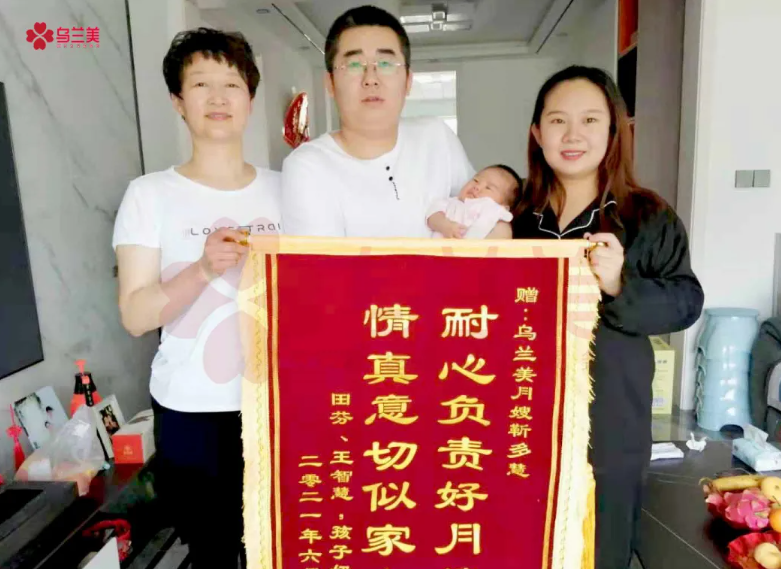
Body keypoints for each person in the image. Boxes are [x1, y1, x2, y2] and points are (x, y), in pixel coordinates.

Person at [511, 66, 704, 568]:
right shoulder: (515, 218)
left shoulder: (646, 215)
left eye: (590, 120)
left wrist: (620, 284)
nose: (573, 135)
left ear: (614, 131)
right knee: (524, 542)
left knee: (602, 547)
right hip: (521, 416)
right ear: (537, 133)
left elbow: (686, 301)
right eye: (558, 120)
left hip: (612, 424)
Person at [112, 28, 280, 568]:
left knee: (281, 546)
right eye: (201, 84)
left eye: (232, 83)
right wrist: (204, 269)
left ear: (250, 98)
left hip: (279, 404)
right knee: (212, 551)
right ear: (177, 101)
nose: (218, 97)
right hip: (194, 410)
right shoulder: (150, 195)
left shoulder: (289, 188)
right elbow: (135, 315)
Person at [281, 5, 476, 238]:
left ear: (408, 81)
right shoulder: (309, 166)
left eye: (385, 64)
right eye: (354, 65)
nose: (371, 79)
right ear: (330, 83)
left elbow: (482, 214)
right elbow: (323, 261)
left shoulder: (437, 137)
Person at [427, 164, 520, 239]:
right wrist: (445, 225)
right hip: (438, 253)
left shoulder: (495, 212)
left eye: (488, 188)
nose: (477, 187)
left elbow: (503, 234)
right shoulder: (450, 202)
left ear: (504, 207)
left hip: (475, 253)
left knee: (503, 229)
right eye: (476, 180)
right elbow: (432, 216)